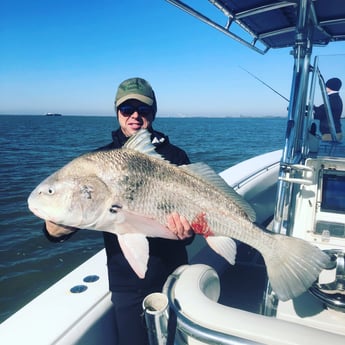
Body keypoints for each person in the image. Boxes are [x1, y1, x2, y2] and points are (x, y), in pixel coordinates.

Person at [43, 77, 194, 345]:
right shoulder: (96, 162)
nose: (135, 116)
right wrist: (56, 230)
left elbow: (190, 226)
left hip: (174, 270)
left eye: (143, 110)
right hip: (126, 281)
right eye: (127, 110)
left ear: (153, 112)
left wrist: (188, 232)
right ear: (117, 113)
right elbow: (66, 222)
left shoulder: (176, 157)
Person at [314, 77, 343, 141]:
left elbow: (319, 114)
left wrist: (303, 112)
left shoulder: (333, 100)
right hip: (334, 133)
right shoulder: (335, 99)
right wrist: (309, 107)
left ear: (329, 87)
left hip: (331, 135)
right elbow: (322, 109)